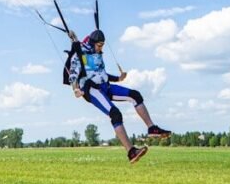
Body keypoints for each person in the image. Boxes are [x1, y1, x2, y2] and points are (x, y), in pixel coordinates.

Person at [67, 27, 171, 164]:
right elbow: (73, 73)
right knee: (115, 114)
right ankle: (131, 151)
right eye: (99, 45)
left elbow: (101, 74)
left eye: (102, 46)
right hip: (91, 89)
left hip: (105, 86)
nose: (101, 49)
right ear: (93, 43)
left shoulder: (97, 54)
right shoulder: (80, 54)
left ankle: (152, 128)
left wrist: (118, 78)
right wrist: (75, 89)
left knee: (135, 95)